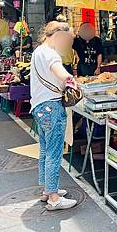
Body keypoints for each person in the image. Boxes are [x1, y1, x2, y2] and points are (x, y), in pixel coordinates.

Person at [30, 21, 78, 211]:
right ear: (58, 36)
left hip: (39, 107)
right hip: (52, 107)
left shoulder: (38, 51)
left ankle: (47, 189)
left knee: (44, 150)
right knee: (54, 152)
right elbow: (61, 73)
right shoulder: (51, 54)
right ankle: (54, 198)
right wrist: (71, 81)